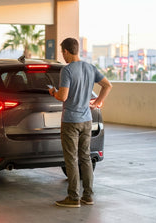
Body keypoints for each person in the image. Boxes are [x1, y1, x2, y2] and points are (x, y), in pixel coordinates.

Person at [49, 37, 112, 208]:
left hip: (70, 121)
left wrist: (53, 92)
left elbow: (63, 96)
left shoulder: (67, 70)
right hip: (86, 120)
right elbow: (107, 85)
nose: (63, 56)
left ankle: (73, 197)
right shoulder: (90, 68)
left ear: (67, 52)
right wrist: (97, 101)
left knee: (71, 159)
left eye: (63, 52)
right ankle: (88, 196)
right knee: (85, 158)